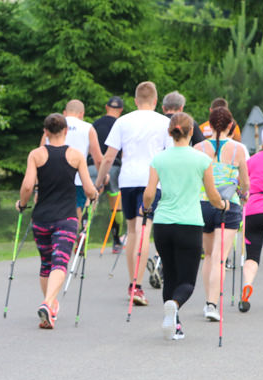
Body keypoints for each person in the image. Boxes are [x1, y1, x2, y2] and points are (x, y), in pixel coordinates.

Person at [142, 112, 226, 341]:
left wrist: (146, 207)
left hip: (163, 224)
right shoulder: (201, 160)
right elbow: (212, 196)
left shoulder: (159, 159)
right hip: (189, 224)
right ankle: (175, 306)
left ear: (170, 132)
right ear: (191, 133)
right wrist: (223, 204)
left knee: (170, 275)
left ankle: (175, 324)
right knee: (187, 282)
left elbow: (149, 193)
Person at [18, 113, 98, 329]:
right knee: (60, 261)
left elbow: (27, 186)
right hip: (66, 217)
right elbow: (89, 188)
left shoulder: (36, 155)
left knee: (46, 263)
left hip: (41, 218)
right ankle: (47, 303)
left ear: (45, 132)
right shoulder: (76, 155)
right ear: (65, 131)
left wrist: (22, 204)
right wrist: (94, 196)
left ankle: (50, 308)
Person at [95, 81, 171, 307]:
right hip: (152, 181)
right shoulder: (164, 122)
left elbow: (109, 157)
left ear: (136, 101)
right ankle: (138, 285)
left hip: (127, 180)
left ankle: (133, 283)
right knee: (143, 229)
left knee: (131, 230)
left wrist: (99, 181)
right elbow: (169, 155)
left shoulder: (122, 121)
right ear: (156, 101)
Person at [194, 106, 249, 322]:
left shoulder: (198, 147)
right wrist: (244, 195)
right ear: (230, 125)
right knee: (219, 257)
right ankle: (212, 303)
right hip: (229, 205)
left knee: (208, 256)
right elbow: (245, 181)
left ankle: (209, 300)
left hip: (203, 203)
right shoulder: (238, 149)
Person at [40, 99, 102, 219]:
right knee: (75, 212)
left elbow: (40, 153)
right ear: (82, 113)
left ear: (64, 113)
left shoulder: (52, 128)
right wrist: (102, 177)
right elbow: (98, 159)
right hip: (78, 179)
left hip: (51, 178)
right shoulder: (88, 128)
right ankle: (72, 236)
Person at [239, 125, 263, 312]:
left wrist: (242, 196)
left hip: (254, 210)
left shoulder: (251, 161)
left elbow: (240, 186)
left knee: (252, 257)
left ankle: (247, 285)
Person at [91, 96, 125, 253]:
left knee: (90, 200)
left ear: (106, 107)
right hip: (114, 166)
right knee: (115, 203)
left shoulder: (95, 124)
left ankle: (82, 235)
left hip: (92, 164)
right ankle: (116, 241)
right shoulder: (121, 124)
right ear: (121, 110)